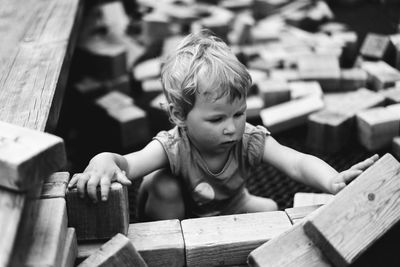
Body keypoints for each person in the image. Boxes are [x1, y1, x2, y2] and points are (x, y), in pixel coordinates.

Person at [68, 30, 378, 221]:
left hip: (230, 204)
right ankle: (171, 250)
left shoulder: (249, 139)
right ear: (179, 115)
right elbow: (128, 164)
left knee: (270, 210)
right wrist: (102, 161)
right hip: (177, 211)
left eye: (239, 114)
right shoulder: (175, 146)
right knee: (163, 185)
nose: (231, 127)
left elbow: (296, 163)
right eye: (216, 119)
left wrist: (332, 179)